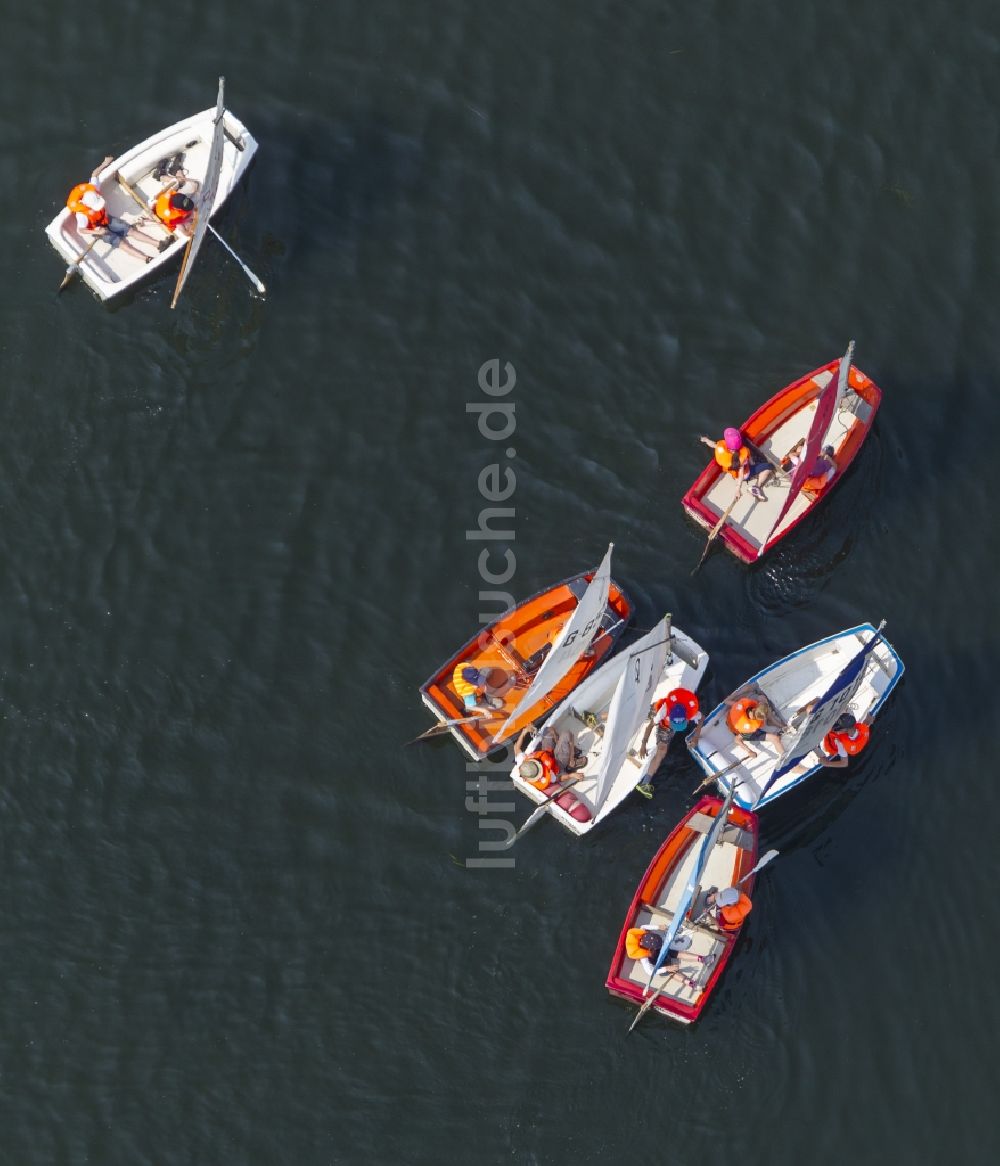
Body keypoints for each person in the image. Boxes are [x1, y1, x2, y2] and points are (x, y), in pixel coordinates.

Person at [66, 156, 164, 263]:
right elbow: (81, 230)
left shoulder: (93, 190)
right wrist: (98, 232)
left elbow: (94, 174)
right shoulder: (82, 215)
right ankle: (146, 258)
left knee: (130, 230)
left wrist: (105, 163)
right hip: (98, 229)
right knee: (121, 244)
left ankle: (158, 244)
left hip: (106, 218)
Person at [632, 687, 703, 799]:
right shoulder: (664, 711)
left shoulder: (690, 713)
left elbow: (701, 718)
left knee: (665, 748)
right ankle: (645, 783)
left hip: (672, 726)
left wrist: (696, 736)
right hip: (663, 727)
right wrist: (643, 744)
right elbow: (650, 725)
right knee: (661, 752)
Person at [699, 427, 774, 501]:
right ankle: (757, 487)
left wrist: (706, 440)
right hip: (745, 475)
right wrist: (737, 489)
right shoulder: (745, 452)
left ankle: (756, 482)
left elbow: (713, 444)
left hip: (735, 476)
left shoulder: (720, 448)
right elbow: (750, 464)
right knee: (769, 466)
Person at [625, 929, 714, 984]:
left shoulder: (643, 934)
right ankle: (690, 983)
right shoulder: (644, 958)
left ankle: (703, 959)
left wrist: (658, 927)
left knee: (677, 953)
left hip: (661, 952)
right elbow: (650, 972)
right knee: (671, 973)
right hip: (657, 963)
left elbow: (646, 926)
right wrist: (667, 968)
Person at [724, 690, 784, 758]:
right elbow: (737, 739)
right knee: (775, 738)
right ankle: (784, 756)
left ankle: (772, 721)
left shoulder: (742, 705)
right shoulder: (749, 729)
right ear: (761, 719)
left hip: (736, 716)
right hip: (741, 730)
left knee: (762, 698)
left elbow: (727, 701)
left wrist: (744, 691)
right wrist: (749, 751)